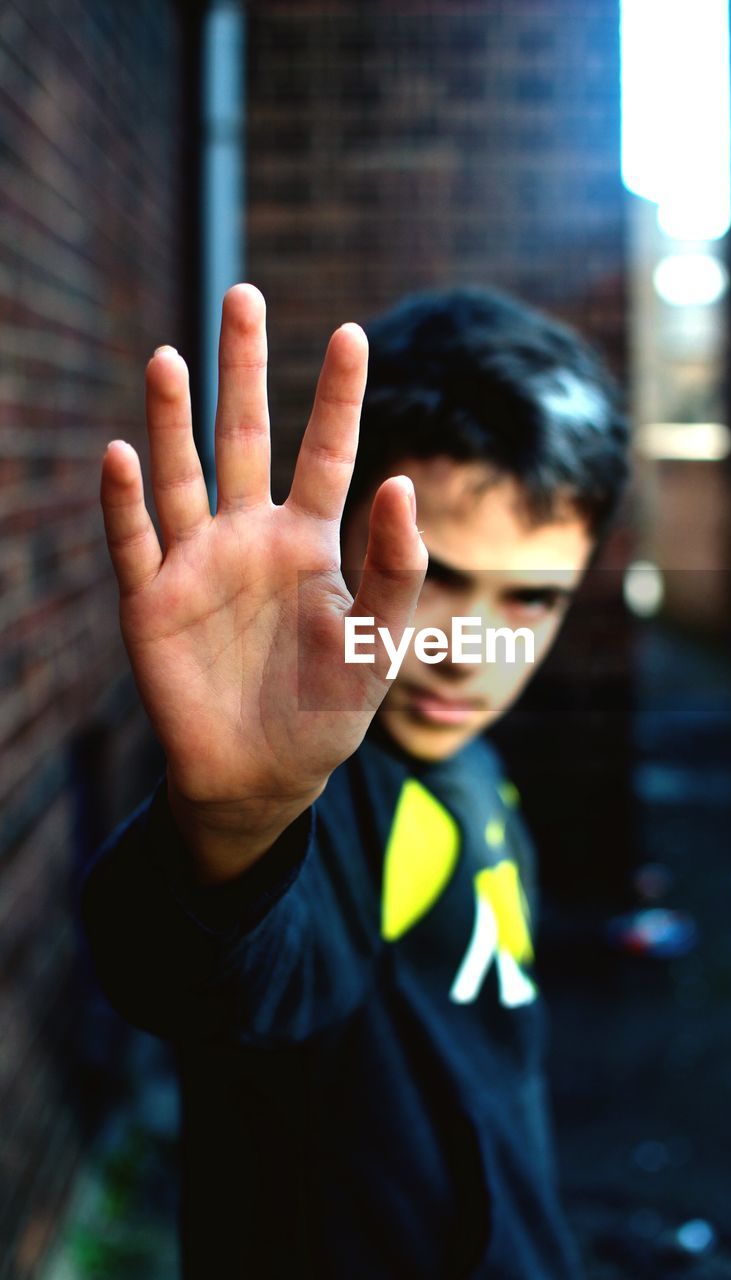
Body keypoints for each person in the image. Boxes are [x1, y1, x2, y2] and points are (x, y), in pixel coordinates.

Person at [83, 282, 629, 1277]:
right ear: (336, 541)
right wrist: (233, 822)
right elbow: (212, 970)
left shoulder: (472, 764)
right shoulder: (325, 793)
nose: (471, 647)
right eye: (433, 580)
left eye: (532, 598)